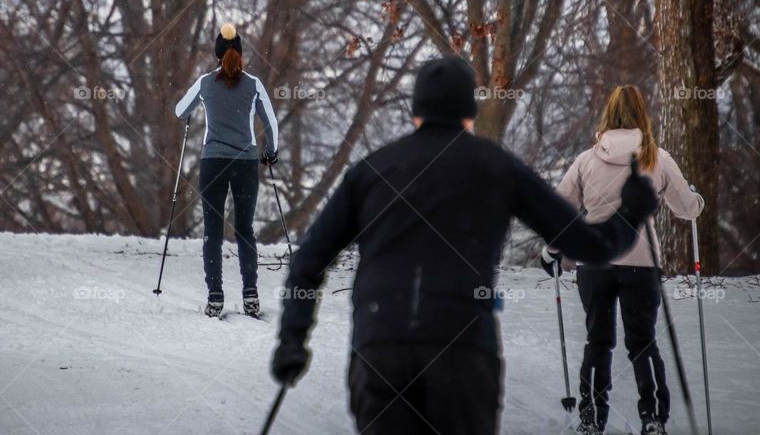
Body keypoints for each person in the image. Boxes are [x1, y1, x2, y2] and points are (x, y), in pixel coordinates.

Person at [269, 57, 658, 435]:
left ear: (415, 112)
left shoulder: (372, 170)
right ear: (468, 113)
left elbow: (309, 259)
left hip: (380, 347)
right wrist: (630, 213)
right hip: (462, 351)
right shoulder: (496, 166)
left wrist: (293, 341)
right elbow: (587, 245)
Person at [541, 85, 705, 435]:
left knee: (598, 341)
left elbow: (558, 210)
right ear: (642, 117)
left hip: (594, 262)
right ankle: (653, 417)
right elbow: (686, 208)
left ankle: (591, 417)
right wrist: (697, 200)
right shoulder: (657, 158)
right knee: (643, 340)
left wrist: (552, 251)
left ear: (607, 117)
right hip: (642, 263)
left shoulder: (586, 160)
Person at [175, 23, 279, 318]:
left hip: (213, 163)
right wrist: (271, 152)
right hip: (245, 164)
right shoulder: (254, 84)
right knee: (245, 229)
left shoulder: (205, 83)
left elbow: (180, 111)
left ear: (217, 55)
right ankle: (250, 296)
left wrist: (202, 103)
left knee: (213, 231)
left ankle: (215, 296)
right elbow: (271, 123)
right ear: (240, 54)